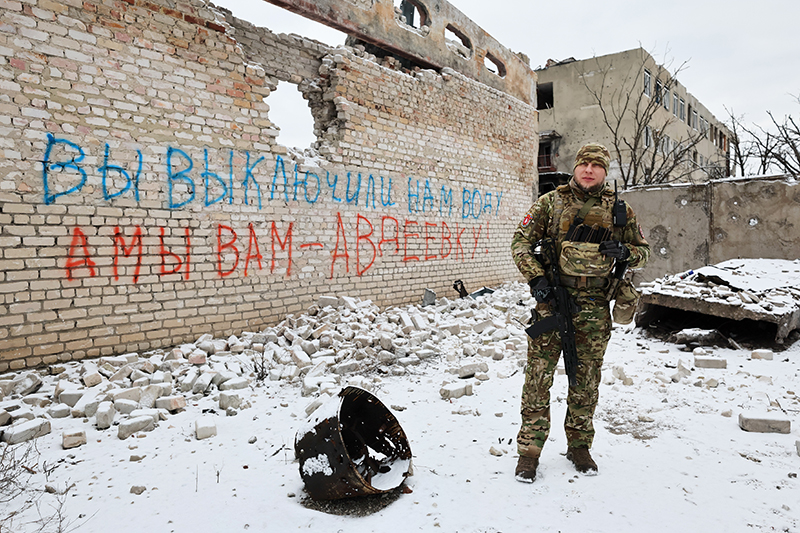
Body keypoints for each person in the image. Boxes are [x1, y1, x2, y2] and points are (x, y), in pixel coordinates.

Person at [509, 143, 650, 482]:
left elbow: (644, 252)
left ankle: (579, 445)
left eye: (596, 165)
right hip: (551, 303)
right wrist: (537, 278)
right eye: (583, 163)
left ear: (605, 171)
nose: (589, 169)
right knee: (537, 380)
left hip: (594, 308)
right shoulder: (550, 203)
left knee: (586, 381)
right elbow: (519, 242)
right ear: (575, 168)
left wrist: (626, 252)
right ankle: (529, 451)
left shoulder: (620, 211)